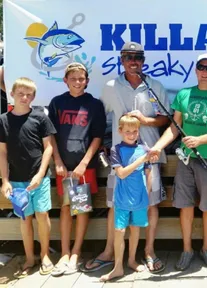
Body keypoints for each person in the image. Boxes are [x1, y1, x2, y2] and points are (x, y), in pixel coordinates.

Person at [82, 41, 170, 274]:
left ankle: (148, 251)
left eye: (138, 57)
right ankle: (110, 251)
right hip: (119, 158)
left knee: (151, 205)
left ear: (143, 60)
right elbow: (103, 121)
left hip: (148, 157)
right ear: (121, 60)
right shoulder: (110, 86)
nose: (134, 61)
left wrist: (145, 120)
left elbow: (166, 120)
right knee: (115, 205)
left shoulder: (155, 86)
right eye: (129, 57)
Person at [149, 53, 207, 271]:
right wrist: (158, 146)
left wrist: (200, 140)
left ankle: (206, 248)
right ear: (196, 70)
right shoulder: (184, 94)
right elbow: (173, 126)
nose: (205, 71)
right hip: (185, 159)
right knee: (185, 204)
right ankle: (187, 249)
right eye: (201, 67)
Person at [48, 63, 106, 276]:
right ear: (65, 80)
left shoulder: (94, 104)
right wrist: (58, 161)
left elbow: (98, 137)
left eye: (81, 79)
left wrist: (84, 163)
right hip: (64, 167)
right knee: (65, 208)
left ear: (87, 81)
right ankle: (63, 253)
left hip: (85, 167)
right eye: (73, 79)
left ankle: (76, 252)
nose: (78, 82)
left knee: (81, 209)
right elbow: (51, 135)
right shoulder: (57, 103)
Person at [0, 77, 56, 278]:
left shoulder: (40, 118)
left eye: (29, 94)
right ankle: (30, 257)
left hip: (39, 179)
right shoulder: (3, 120)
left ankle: (45, 255)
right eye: (21, 93)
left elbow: (48, 147)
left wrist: (41, 175)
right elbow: (3, 152)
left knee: (42, 216)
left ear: (34, 96)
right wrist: (5, 181)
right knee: (25, 220)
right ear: (12, 94)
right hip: (16, 181)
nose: (25, 97)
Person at [100, 115, 152, 281]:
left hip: (139, 198)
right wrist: (142, 160)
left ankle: (131, 260)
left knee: (135, 229)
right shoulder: (116, 149)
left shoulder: (144, 149)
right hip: (122, 198)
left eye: (135, 131)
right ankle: (117, 267)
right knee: (119, 231)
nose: (131, 134)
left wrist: (148, 195)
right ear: (120, 131)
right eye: (127, 131)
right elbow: (121, 173)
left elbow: (149, 173)